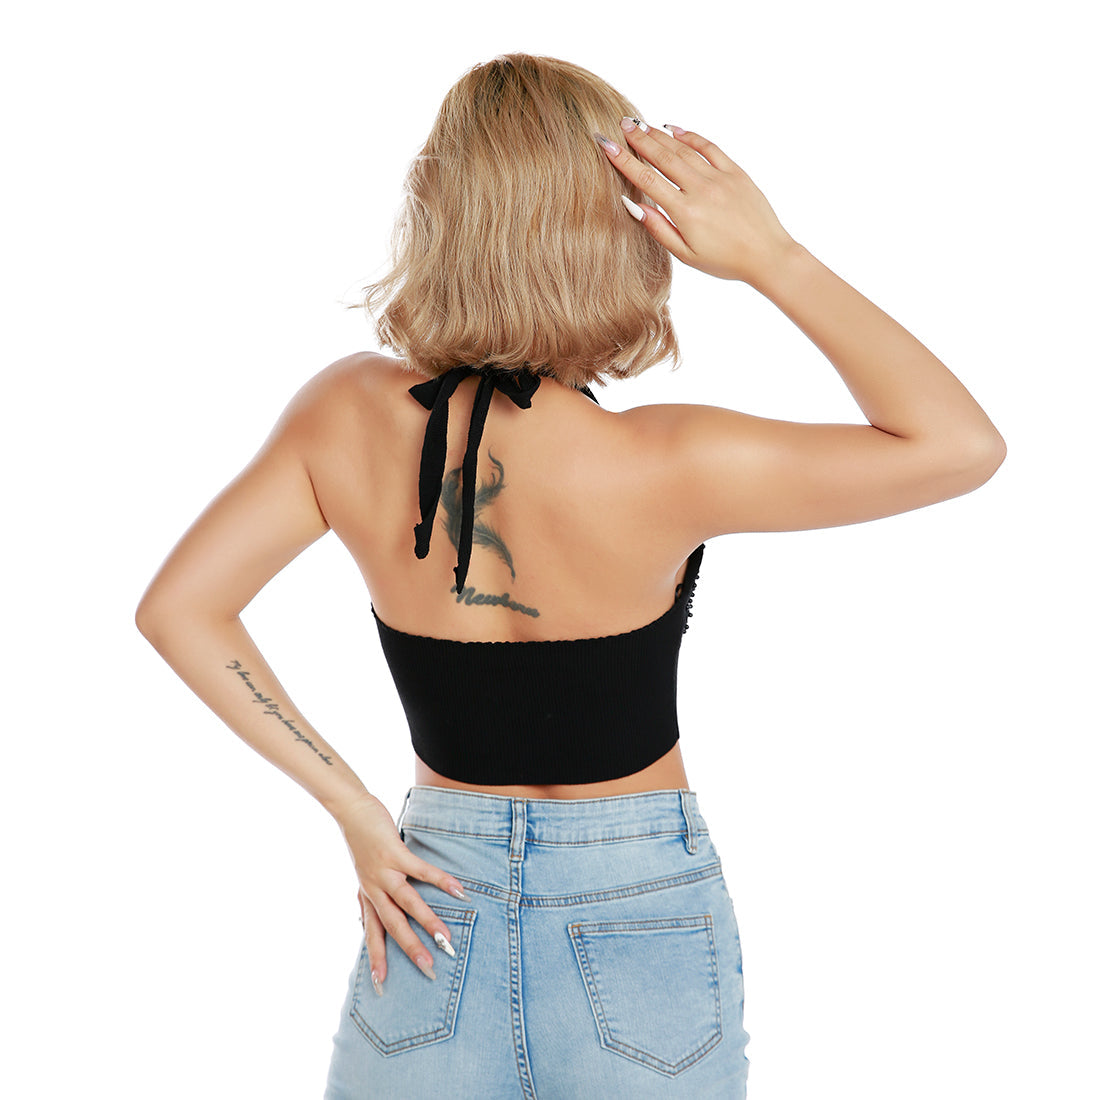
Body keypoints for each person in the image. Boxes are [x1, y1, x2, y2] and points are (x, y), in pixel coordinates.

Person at [134, 53, 1006, 1099]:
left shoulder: (345, 415)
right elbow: (958, 445)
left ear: (440, 214)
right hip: (637, 897)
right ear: (620, 231)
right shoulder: (671, 459)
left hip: (430, 891)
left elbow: (181, 608)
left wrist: (354, 808)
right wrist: (774, 257)